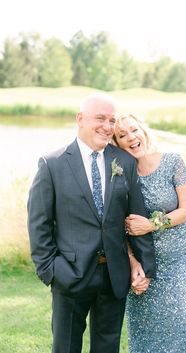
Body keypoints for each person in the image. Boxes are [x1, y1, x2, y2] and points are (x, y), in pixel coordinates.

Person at [27, 95, 156, 353]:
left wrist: (145, 267)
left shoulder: (124, 162)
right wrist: (50, 269)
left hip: (114, 275)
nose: (107, 127)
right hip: (69, 274)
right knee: (66, 347)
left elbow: (136, 215)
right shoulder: (52, 164)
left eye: (111, 120)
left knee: (108, 348)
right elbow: (38, 222)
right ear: (80, 119)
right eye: (100, 119)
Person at [113, 113, 186, 353]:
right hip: (143, 265)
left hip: (181, 261)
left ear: (143, 131)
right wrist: (133, 263)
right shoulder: (120, 177)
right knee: (146, 330)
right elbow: (116, 228)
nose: (131, 138)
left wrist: (151, 225)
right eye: (122, 135)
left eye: (134, 130)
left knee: (185, 322)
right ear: (116, 144)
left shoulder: (173, 162)